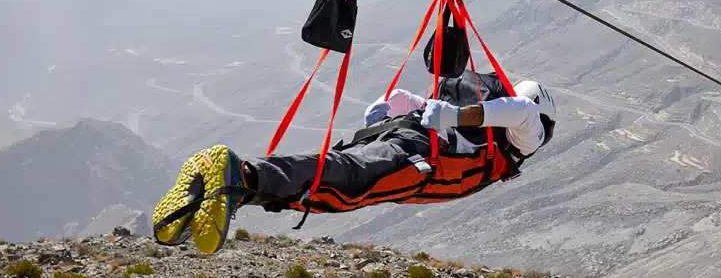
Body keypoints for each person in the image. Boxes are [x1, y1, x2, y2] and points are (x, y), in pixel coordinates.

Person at [151, 72, 557, 254]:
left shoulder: (488, 127)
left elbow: (415, 106)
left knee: (338, 174)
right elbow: (522, 111)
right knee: (343, 186)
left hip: (411, 142)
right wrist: (448, 116)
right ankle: (237, 175)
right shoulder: (527, 130)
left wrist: (403, 107)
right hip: (420, 159)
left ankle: (221, 191)